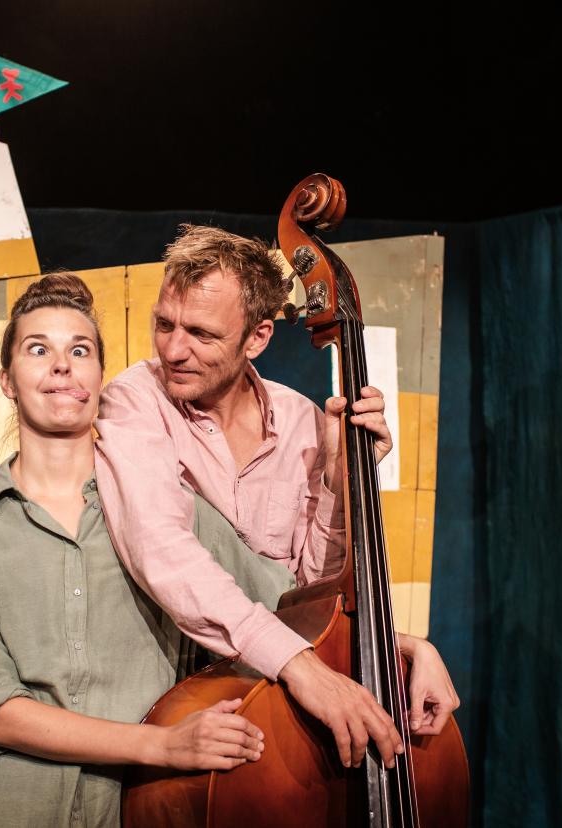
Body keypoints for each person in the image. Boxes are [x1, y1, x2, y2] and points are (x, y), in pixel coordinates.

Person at [0, 274, 296, 827]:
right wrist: (162, 745)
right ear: (7, 380)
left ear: (101, 376)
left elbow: (287, 605)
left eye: (80, 351)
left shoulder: (173, 511)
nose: (62, 366)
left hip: (138, 813)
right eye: (38, 350)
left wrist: (403, 649)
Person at [95, 225, 460, 771]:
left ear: (257, 338)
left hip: (268, 704)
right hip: (169, 703)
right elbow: (162, 549)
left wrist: (340, 484)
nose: (172, 349)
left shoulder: (302, 422)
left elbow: (306, 593)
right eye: (164, 324)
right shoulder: (135, 399)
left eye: (201, 334)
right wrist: (299, 665)